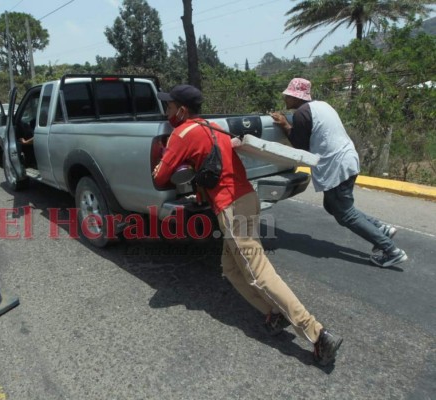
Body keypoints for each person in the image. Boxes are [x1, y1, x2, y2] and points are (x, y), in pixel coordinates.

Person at [153, 84, 343, 366]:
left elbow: (160, 178)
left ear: (182, 110)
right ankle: (273, 313)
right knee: (231, 268)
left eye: (169, 106)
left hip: (231, 208)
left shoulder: (181, 134)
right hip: (247, 199)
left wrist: (162, 156)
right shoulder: (214, 127)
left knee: (258, 272)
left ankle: (317, 334)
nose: (166, 110)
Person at [270, 78, 407, 268]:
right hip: (347, 159)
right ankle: (381, 228)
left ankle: (391, 250)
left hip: (336, 166)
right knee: (332, 206)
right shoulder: (320, 106)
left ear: (295, 96)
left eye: (287, 94)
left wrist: (284, 124)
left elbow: (300, 145)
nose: (285, 96)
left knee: (345, 214)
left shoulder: (302, 113)